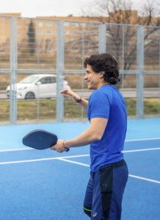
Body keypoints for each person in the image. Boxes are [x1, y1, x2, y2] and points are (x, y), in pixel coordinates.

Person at [50, 53, 128, 219]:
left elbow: (95, 134)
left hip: (108, 169)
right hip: (102, 168)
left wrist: (65, 144)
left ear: (101, 74)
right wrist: (77, 98)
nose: (85, 77)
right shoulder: (112, 92)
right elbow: (100, 112)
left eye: (88, 72)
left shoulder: (100, 95)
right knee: (89, 209)